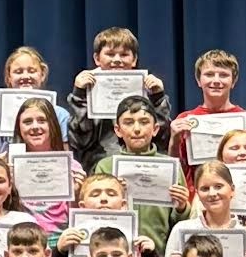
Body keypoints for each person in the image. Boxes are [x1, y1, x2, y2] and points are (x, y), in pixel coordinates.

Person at [92, 96, 190, 251]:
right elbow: (95, 214)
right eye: (129, 122)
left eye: (144, 122)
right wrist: (114, 194)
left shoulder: (170, 167)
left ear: (155, 129)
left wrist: (182, 207)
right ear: (118, 130)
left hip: (158, 254)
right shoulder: (106, 166)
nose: (137, 129)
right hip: (116, 254)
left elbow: (180, 222)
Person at [48, 174, 167, 257]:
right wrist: (59, 253)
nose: (103, 199)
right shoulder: (70, 241)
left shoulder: (136, 243)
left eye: (111, 194)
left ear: (123, 205)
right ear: (82, 206)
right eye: (95, 194)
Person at [68, 27, 172, 169]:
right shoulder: (86, 90)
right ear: (97, 58)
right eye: (110, 54)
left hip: (144, 167)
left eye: (124, 55)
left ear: (134, 59)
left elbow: (162, 138)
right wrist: (79, 96)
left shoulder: (148, 88)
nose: (117, 60)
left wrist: (158, 98)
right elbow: (79, 142)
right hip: (101, 170)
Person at [168, 50, 246, 187]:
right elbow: (177, 175)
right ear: (198, 80)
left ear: (233, 81)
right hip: (198, 198)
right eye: (209, 74)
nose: (216, 80)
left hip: (240, 194)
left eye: (223, 75)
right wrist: (174, 142)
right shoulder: (185, 119)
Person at [8, 97, 85, 240]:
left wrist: (76, 193)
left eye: (42, 120)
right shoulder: (7, 165)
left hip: (60, 239)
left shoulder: (72, 167)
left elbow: (79, 220)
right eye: (27, 122)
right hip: (21, 239)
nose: (35, 126)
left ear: (53, 125)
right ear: (19, 128)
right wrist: (7, 189)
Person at [0, 46, 72, 160]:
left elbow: (66, 158)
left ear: (42, 75)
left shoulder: (60, 115)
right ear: (9, 77)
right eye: (18, 72)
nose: (26, 76)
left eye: (32, 71)